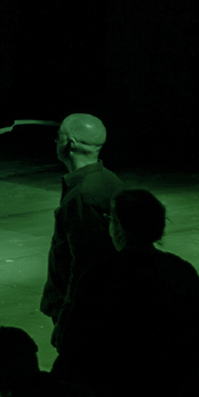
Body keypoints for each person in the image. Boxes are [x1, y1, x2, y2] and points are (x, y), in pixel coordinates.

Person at [53, 189, 199, 397]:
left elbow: (75, 346)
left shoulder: (101, 276)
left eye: (112, 220)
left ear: (120, 227)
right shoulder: (180, 271)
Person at [40, 113, 123, 328]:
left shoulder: (83, 196)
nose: (56, 141)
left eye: (59, 137)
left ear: (70, 143)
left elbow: (84, 264)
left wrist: (68, 314)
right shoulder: (108, 179)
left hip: (82, 314)